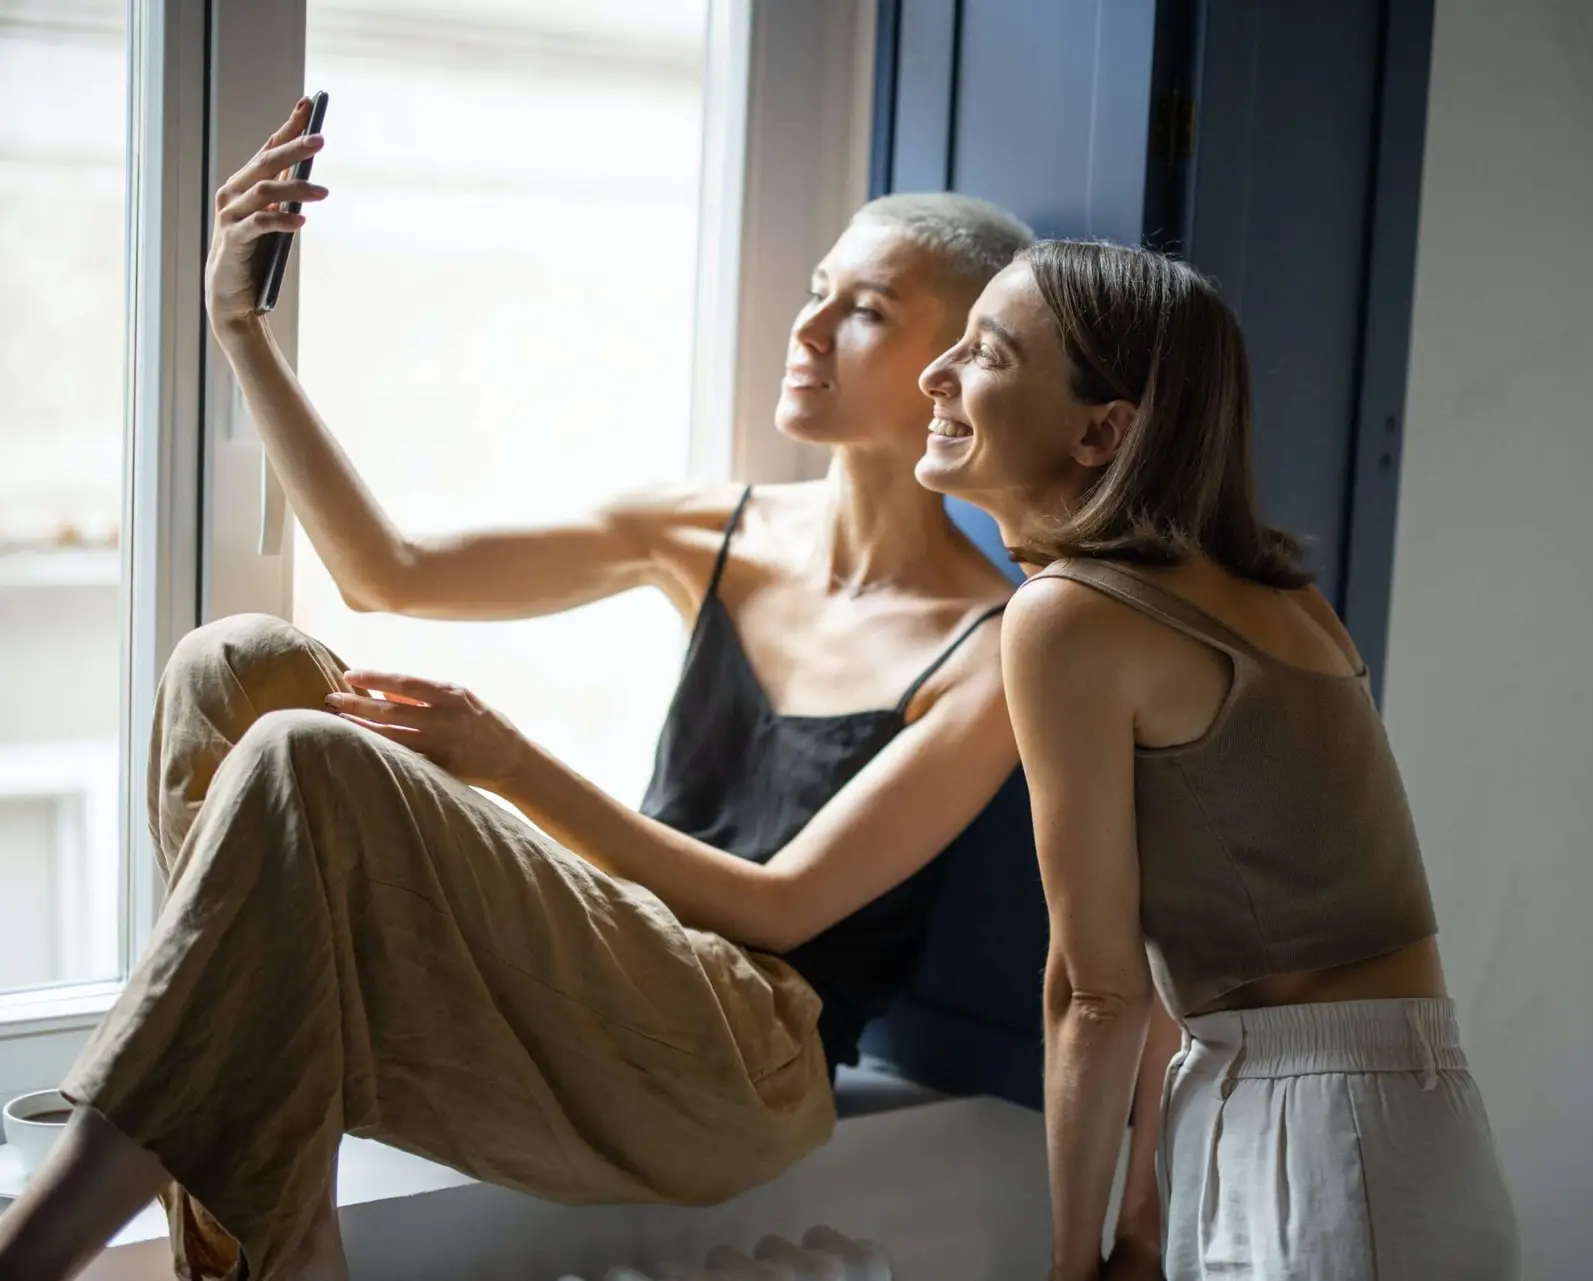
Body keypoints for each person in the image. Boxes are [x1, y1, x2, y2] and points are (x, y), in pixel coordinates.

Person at [0, 98, 1034, 1281]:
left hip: (744, 1059)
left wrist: (509, 763)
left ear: (955, 366)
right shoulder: (709, 528)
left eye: (865, 312)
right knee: (234, 666)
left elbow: (786, 910)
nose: (808, 329)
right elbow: (385, 573)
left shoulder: (994, 646)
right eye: (815, 287)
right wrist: (240, 331)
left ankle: (36, 1253)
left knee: (307, 756)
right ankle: (280, 1248)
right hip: (609, 990)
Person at [915, 240, 1519, 1281]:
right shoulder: (1283, 598)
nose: (937, 373)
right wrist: (1146, 1215)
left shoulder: (1067, 618)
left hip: (1317, 1132)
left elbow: (1096, 993)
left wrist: (1072, 1260)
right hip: (1391, 1117)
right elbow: (1176, 976)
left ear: (1102, 431)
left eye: (987, 354)